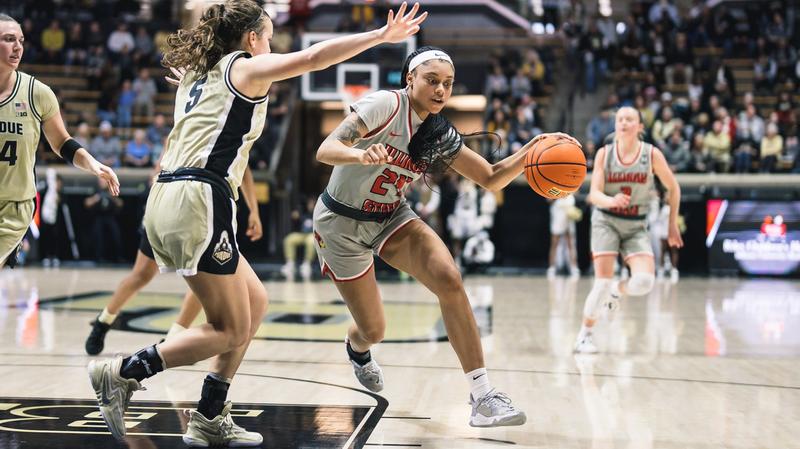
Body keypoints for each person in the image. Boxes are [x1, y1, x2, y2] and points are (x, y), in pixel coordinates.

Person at [87, 1, 426, 446]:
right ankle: (123, 371)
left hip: (169, 196)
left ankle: (209, 414)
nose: (270, 46)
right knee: (228, 328)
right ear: (251, 39)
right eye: (267, 36)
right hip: (199, 197)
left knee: (256, 302)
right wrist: (379, 37)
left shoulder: (195, 77)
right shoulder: (244, 67)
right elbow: (311, 59)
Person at [314, 45, 576, 427]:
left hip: (390, 216)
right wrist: (360, 155)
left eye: (448, 84)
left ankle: (483, 396)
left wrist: (534, 150)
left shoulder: (438, 133)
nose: (440, 90)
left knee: (450, 280)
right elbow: (326, 148)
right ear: (410, 79)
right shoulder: (385, 105)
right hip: (340, 224)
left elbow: (490, 177)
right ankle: (358, 348)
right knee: (374, 329)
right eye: (432, 80)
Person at [84, 166, 262, 355]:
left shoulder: (235, 140)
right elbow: (160, 165)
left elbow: (244, 169)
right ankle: (104, 321)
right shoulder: (180, 139)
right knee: (141, 274)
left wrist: (254, 210)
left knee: (206, 275)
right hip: (173, 201)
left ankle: (175, 336)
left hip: (208, 205)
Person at [0, 13, 119, 270]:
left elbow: (62, 142)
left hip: (13, 207)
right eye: (9, 39)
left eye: (20, 40)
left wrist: (93, 164)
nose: (18, 46)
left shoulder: (37, 93)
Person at [574, 106, 683, 354]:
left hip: (636, 224)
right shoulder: (604, 154)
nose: (623, 123)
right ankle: (584, 335)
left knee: (644, 282)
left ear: (640, 127)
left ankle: (618, 290)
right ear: (615, 126)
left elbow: (674, 188)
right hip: (606, 221)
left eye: (629, 119)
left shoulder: (651, 155)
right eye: (620, 119)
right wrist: (611, 201)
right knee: (601, 282)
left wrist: (672, 223)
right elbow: (594, 194)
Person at [547, 194, 580, 279]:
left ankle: (574, 268)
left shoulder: (571, 182)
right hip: (558, 212)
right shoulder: (553, 186)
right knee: (554, 243)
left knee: (571, 243)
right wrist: (556, 196)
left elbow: (577, 192)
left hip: (569, 211)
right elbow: (548, 199)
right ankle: (552, 268)